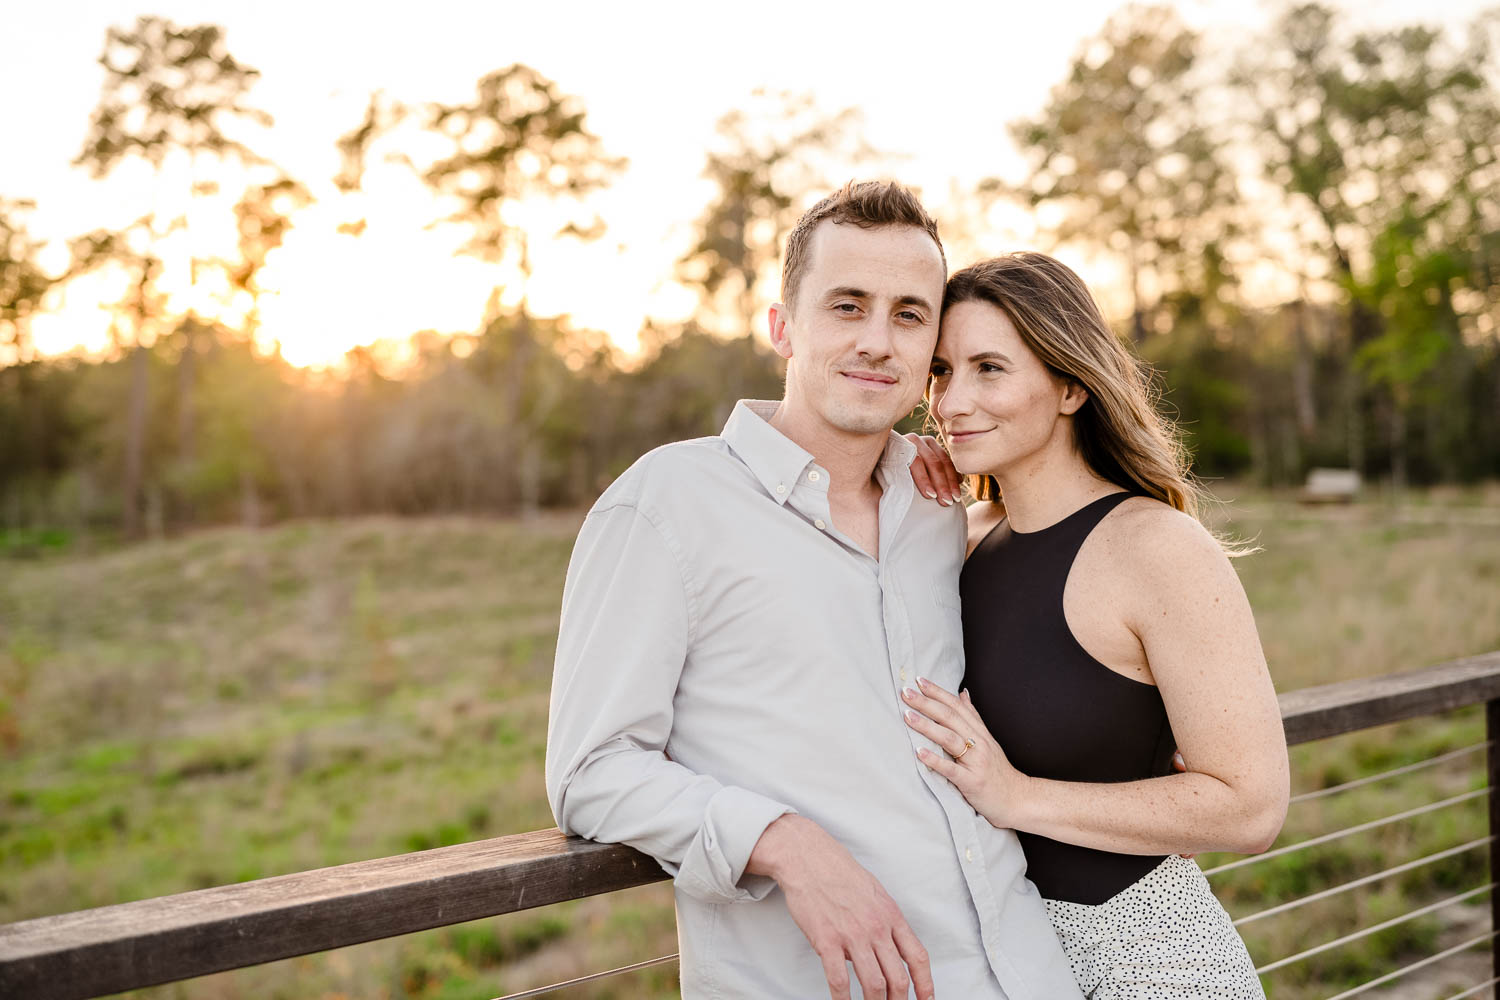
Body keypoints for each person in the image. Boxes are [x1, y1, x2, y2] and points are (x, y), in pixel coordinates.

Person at [546, 184, 1083, 1000]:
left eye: (909, 314)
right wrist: (786, 843)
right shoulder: (664, 506)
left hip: (1029, 973)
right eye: (846, 306)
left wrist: (1130, 744)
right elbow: (590, 771)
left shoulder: (937, 507)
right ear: (782, 326)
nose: (877, 340)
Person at [901, 252, 1289, 999]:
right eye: (942, 372)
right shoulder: (957, 538)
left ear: (1072, 385)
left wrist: (1018, 796)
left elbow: (1251, 805)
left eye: (990, 368)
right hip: (994, 961)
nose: (950, 403)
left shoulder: (1158, 549)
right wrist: (895, 471)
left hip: (1147, 961)